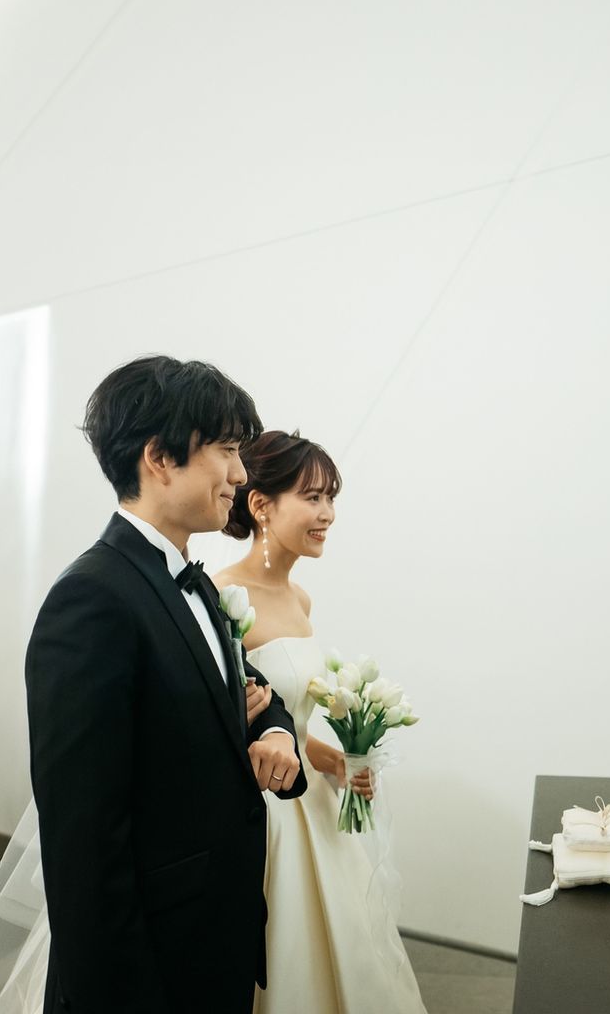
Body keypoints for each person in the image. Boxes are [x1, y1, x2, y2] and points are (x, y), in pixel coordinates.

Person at [24, 356, 305, 1014]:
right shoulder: (93, 600)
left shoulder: (194, 583)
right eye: (227, 450)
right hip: (147, 969)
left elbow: (255, 692)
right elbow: (83, 847)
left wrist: (276, 733)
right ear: (159, 458)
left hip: (213, 943)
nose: (241, 473)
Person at [215, 430, 427, 1013]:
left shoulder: (300, 599)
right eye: (312, 498)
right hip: (263, 813)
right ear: (262, 506)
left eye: (331, 498)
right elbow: (227, 722)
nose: (327, 514)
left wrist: (334, 758)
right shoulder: (222, 597)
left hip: (313, 802)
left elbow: (287, 716)